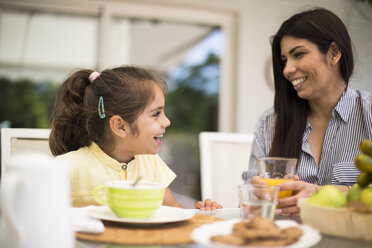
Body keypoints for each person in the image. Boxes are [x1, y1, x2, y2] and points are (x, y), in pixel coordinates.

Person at [249, 8, 372, 216]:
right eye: (284, 60)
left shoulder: (368, 113)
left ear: (333, 53)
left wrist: (325, 194)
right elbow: (250, 199)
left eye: (299, 54)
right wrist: (257, 194)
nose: (287, 69)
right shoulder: (269, 123)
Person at [49, 65, 221, 210]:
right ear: (120, 126)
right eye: (156, 114)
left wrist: (200, 214)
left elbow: (174, 212)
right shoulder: (68, 167)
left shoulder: (151, 164)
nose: (166, 122)